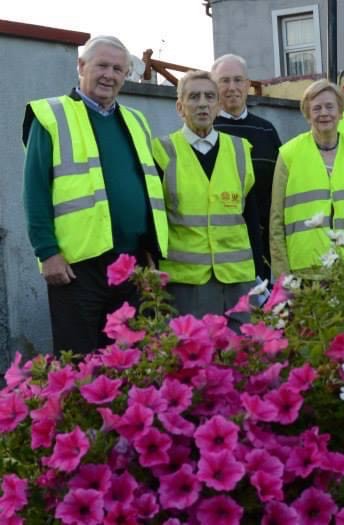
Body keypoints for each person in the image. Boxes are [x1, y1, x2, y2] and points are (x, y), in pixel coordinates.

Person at [22, 35, 167, 355]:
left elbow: (147, 187)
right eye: (102, 65)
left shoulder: (136, 120)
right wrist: (47, 252)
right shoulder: (51, 115)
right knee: (79, 364)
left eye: (119, 69)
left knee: (133, 361)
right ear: (81, 66)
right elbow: (35, 191)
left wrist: (150, 251)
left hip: (131, 265)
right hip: (76, 268)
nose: (110, 75)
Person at [152, 70, 257, 324]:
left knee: (242, 355)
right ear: (180, 107)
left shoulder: (240, 149)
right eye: (194, 97)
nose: (202, 104)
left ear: (219, 105)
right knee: (193, 357)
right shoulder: (160, 151)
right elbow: (153, 220)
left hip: (238, 279)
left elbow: (252, 217)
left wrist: (260, 274)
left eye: (210, 97)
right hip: (186, 281)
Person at [271, 80, 344, 279]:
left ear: (341, 112)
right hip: (306, 272)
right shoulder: (288, 154)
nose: (324, 113)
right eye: (316, 108)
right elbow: (276, 221)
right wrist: (283, 276)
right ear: (307, 115)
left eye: (330, 106)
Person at [211, 54, 282, 279]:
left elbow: (279, 188)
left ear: (248, 84)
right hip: (220, 248)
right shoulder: (206, 130)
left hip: (263, 246)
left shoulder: (267, 130)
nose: (232, 87)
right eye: (224, 81)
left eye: (238, 80)